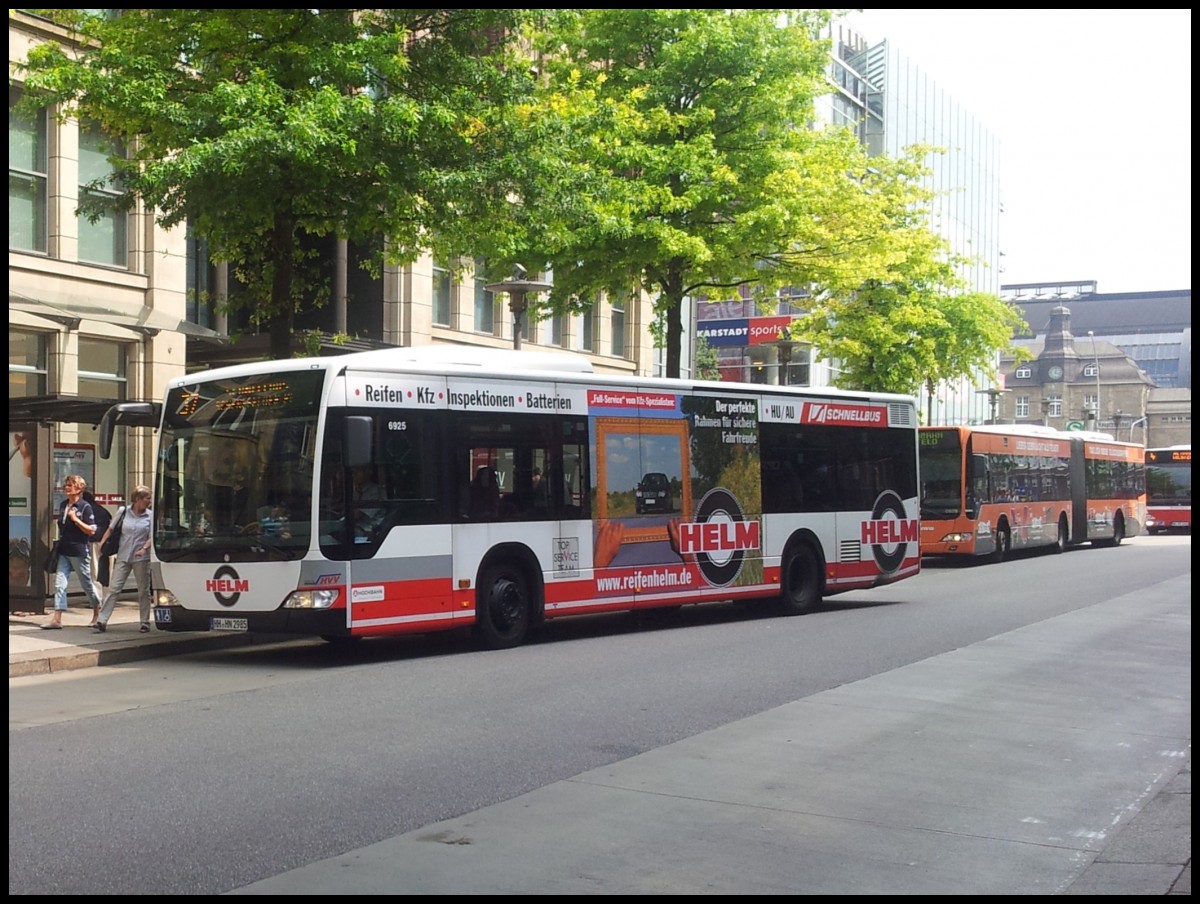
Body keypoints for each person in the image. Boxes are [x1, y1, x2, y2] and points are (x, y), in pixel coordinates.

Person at [43, 474, 102, 629]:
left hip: (79, 551)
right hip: (64, 550)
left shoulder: (85, 507)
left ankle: (97, 611)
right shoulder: (63, 505)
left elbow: (91, 531)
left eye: (70, 485)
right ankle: (57, 619)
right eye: (66, 485)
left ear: (79, 488)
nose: (66, 488)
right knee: (60, 584)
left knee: (87, 585)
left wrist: (75, 519)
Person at [93, 485, 154, 633]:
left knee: (143, 591)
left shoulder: (150, 515)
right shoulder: (123, 512)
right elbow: (111, 529)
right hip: (123, 555)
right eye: (147, 498)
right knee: (114, 589)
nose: (149, 501)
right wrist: (102, 544)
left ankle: (144, 622)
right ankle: (102, 620)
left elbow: (152, 536)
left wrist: (144, 548)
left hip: (141, 557)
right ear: (138, 499)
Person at [351, 466, 385, 539]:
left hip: (370, 531)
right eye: (353, 472)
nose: (354, 475)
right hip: (358, 527)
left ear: (368, 473)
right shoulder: (358, 491)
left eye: (358, 471)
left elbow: (357, 515)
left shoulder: (376, 491)